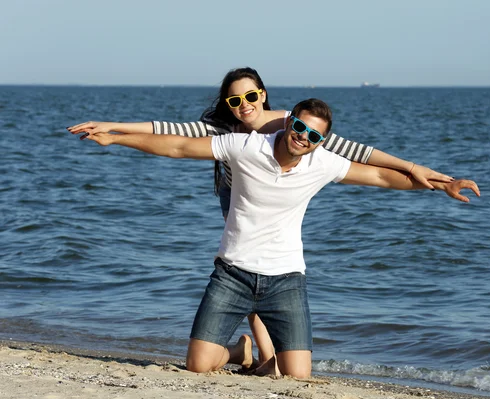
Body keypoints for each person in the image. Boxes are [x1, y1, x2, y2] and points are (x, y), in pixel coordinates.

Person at [68, 67, 456, 374]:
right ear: (228, 102)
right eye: (235, 99)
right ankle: (254, 353)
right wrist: (114, 130)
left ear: (264, 95)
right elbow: (175, 138)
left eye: (251, 96)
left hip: (281, 232)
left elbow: (368, 163)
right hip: (236, 193)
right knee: (247, 257)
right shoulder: (235, 136)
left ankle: (267, 355)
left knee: (272, 286)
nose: (244, 104)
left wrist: (427, 175)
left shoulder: (298, 129)